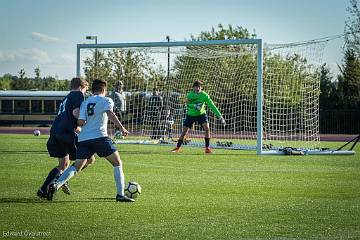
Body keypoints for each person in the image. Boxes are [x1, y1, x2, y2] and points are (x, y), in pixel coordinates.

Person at [47, 79, 134, 202]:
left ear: (93, 90)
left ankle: (56, 185)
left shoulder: (85, 102)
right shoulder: (106, 100)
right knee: (117, 163)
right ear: (104, 90)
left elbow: (81, 122)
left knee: (77, 166)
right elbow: (110, 113)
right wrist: (122, 128)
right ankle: (120, 194)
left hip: (84, 139)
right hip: (100, 137)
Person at [37, 77, 95, 199]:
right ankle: (64, 179)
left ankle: (43, 190)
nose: (85, 93)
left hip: (55, 132)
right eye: (85, 90)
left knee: (63, 164)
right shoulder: (78, 94)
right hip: (66, 133)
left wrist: (78, 127)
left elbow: (68, 116)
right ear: (81, 87)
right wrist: (87, 122)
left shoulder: (67, 96)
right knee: (89, 159)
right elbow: (76, 113)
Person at [171, 80, 225, 154]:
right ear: (193, 87)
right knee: (184, 132)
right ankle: (177, 147)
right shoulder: (190, 95)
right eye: (196, 87)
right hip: (191, 114)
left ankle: (207, 148)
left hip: (201, 114)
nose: (198, 88)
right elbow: (187, 104)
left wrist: (220, 116)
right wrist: (195, 105)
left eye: (199, 87)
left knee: (207, 128)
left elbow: (212, 106)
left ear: (201, 87)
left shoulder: (205, 95)